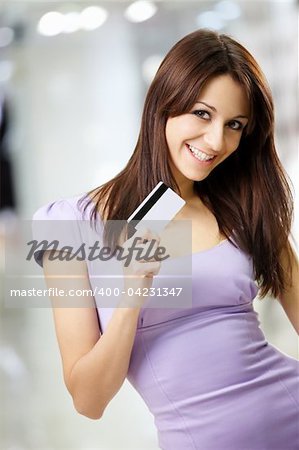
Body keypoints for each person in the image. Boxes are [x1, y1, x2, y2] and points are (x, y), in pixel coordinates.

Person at [32, 29, 299, 449]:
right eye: (202, 113)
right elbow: (89, 400)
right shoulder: (70, 225)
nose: (216, 142)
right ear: (163, 104)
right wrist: (131, 294)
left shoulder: (244, 207)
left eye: (235, 125)